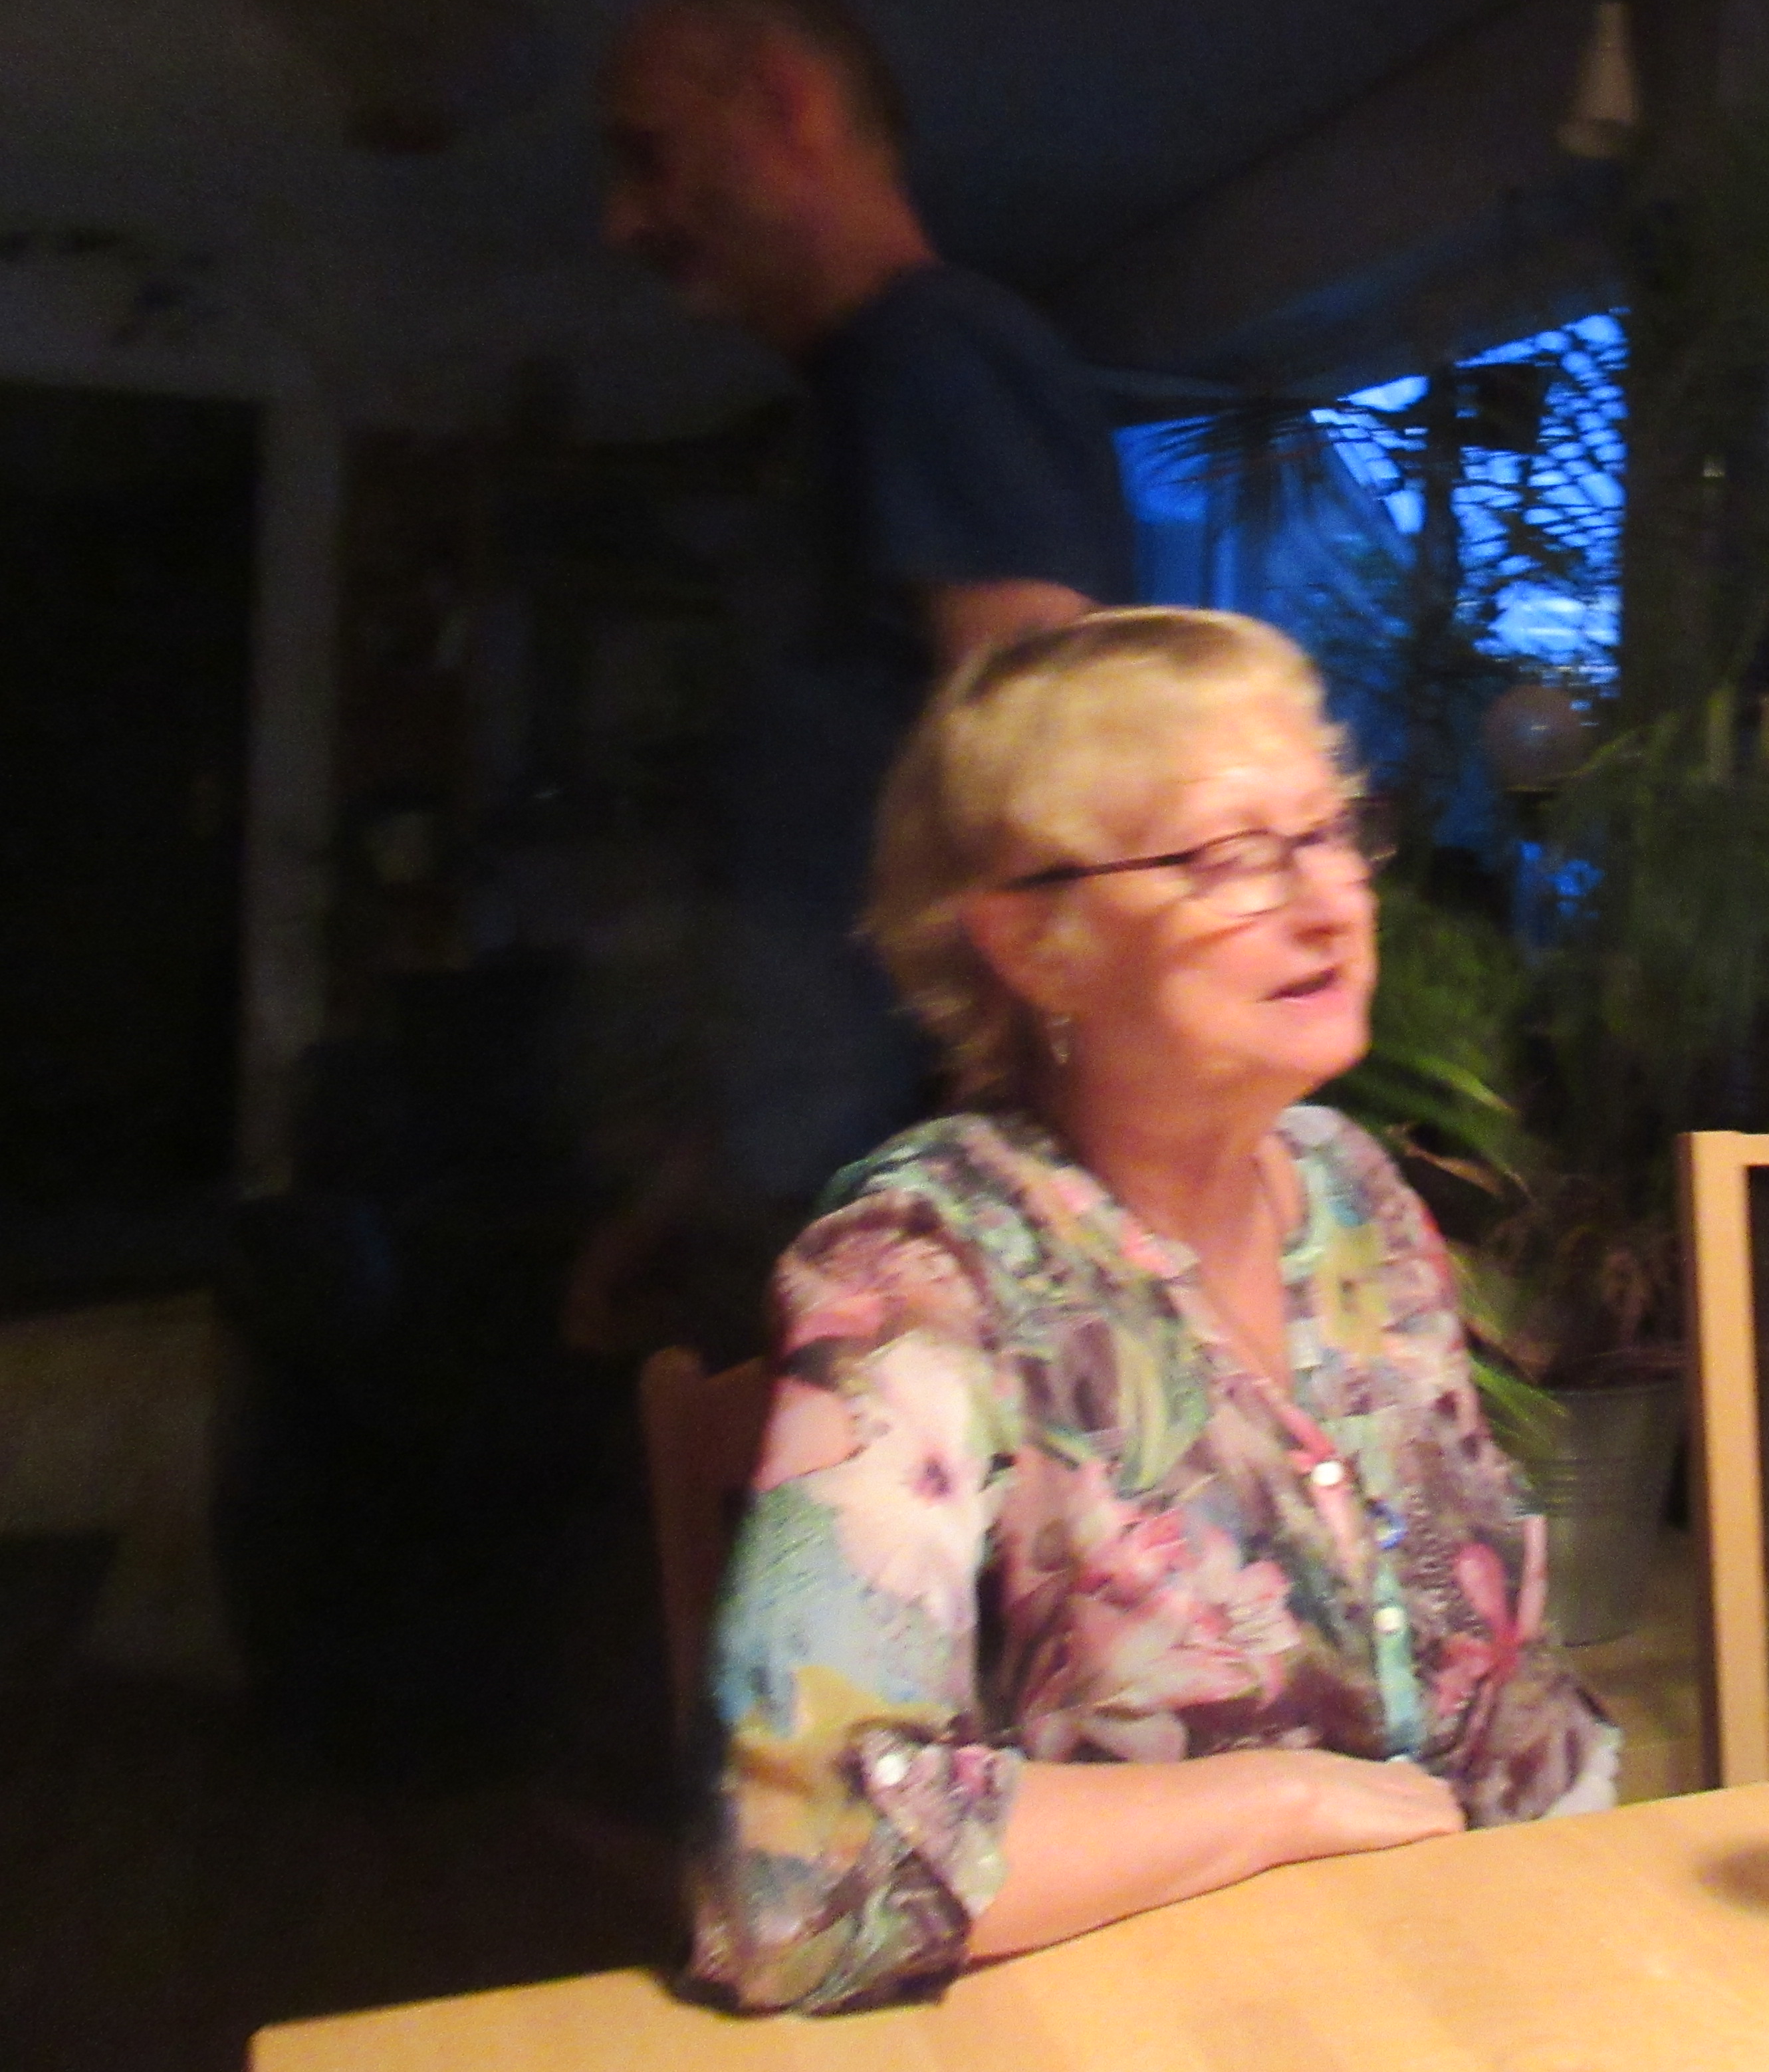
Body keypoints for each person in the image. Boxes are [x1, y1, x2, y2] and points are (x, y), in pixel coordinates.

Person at [686, 608, 1615, 2013]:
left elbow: (1514, 1713)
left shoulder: (1354, 1199)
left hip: (1454, 1992)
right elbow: (796, 1882)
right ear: (1036, 943)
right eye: (1228, 858)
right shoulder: (923, 1275)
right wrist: (1291, 1800)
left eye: (1328, 833)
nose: (1328, 904)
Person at [594, 0, 1137, 1335]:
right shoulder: (864, 389)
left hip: (893, 1214)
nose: (623, 221)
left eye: (649, 157)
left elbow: (1047, 802)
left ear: (786, 103)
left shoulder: (928, 352)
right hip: (810, 1173)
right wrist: (696, 1180)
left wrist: (975, 1243)